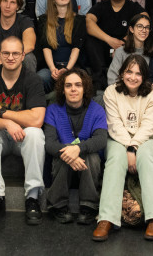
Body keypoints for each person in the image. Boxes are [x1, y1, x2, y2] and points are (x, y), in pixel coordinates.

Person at [93, 55, 153, 242]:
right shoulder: (111, 92)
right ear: (122, 73)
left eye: (138, 74)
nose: (133, 77)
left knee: (146, 155)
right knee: (116, 158)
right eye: (129, 72)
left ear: (145, 76)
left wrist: (133, 148)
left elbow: (149, 126)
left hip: (149, 139)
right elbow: (115, 125)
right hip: (118, 139)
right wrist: (128, 147)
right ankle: (106, 218)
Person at [0, 36, 46, 225]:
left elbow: (37, 119)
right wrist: (7, 123)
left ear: (23, 55)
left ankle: (33, 197)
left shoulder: (32, 79)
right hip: (0, 135)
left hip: (22, 137)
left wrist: (3, 113)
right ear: (0, 55)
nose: (10, 57)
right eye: (6, 53)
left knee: (36, 134)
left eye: (15, 53)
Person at [44, 69, 107, 224]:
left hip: (88, 167)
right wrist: (70, 155)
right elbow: (50, 143)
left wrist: (77, 149)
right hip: (62, 167)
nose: (73, 89)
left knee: (91, 155)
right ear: (62, 90)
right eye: (68, 85)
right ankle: (58, 205)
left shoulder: (97, 110)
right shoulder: (53, 110)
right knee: (63, 153)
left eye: (78, 85)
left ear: (85, 88)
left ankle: (89, 206)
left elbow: (101, 139)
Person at [86, 0, 145, 91]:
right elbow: (89, 22)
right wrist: (110, 40)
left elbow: (144, 22)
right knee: (90, 39)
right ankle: (100, 80)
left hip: (126, 49)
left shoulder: (133, 7)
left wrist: (124, 42)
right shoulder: (101, 6)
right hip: (103, 52)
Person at [37, 0, 86, 93]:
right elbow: (46, 47)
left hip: (73, 66)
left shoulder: (79, 20)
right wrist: (52, 69)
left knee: (76, 79)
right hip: (51, 67)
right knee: (41, 77)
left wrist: (67, 69)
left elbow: (76, 48)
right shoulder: (44, 20)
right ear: (53, 0)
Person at [107, 13, 153, 85]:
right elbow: (112, 79)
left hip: (145, 90)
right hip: (122, 90)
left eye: (147, 27)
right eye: (140, 26)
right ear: (131, 29)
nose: (144, 30)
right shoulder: (120, 52)